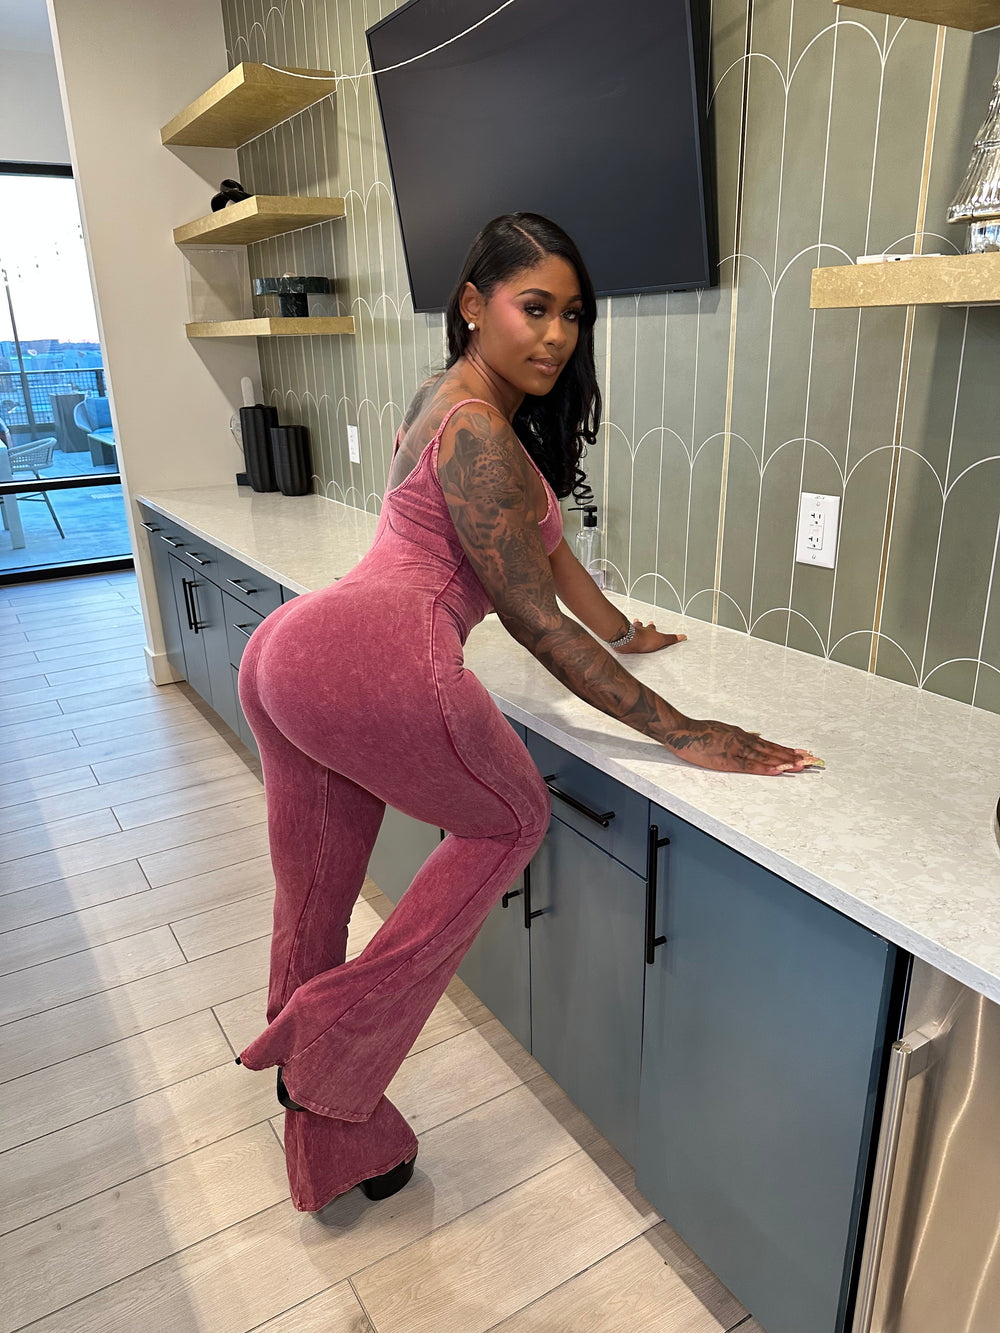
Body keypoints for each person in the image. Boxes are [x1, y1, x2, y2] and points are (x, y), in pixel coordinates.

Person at [235, 213, 820, 1214]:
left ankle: (333, 1137)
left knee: (314, 897)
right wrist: (684, 730)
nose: (556, 336)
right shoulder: (481, 435)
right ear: (474, 303)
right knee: (513, 818)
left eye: (572, 316)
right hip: (379, 652)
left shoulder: (445, 400)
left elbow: (554, 566)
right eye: (534, 307)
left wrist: (628, 631)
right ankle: (328, 1043)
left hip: (292, 650)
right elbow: (536, 622)